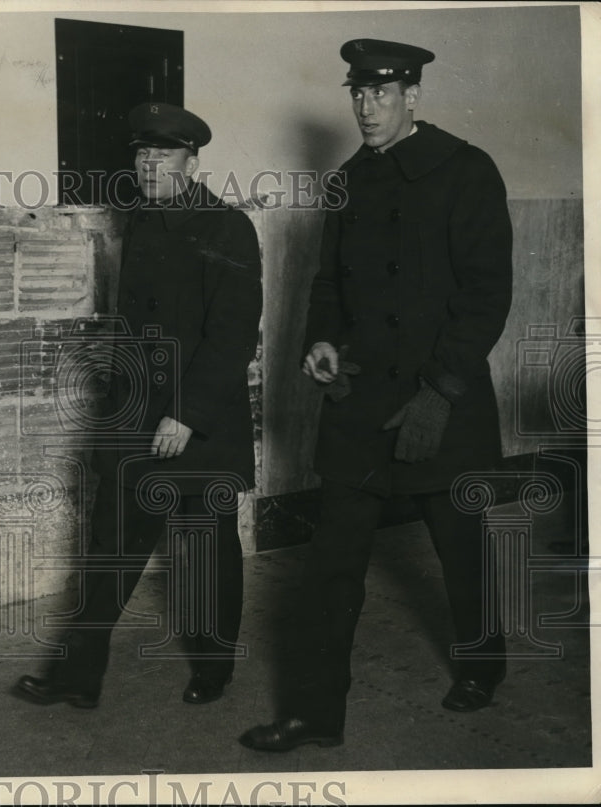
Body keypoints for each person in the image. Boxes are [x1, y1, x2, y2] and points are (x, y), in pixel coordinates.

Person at [240, 39, 513, 753]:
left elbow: (487, 297)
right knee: (332, 563)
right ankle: (314, 712)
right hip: (360, 405)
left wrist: (439, 391)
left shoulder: (467, 170)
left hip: (441, 403)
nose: (367, 107)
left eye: (383, 94)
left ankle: (484, 665)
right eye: (357, 93)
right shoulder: (348, 179)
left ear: (413, 96)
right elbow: (328, 284)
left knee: (461, 552)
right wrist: (321, 341)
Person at [14, 102, 263, 708]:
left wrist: (187, 412)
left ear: (192, 160)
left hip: (197, 423)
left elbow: (232, 333)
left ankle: (215, 667)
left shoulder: (226, 227)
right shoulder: (142, 221)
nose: (148, 164)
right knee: (111, 548)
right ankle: (76, 678)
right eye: (141, 153)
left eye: (163, 154)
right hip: (135, 417)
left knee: (206, 551)